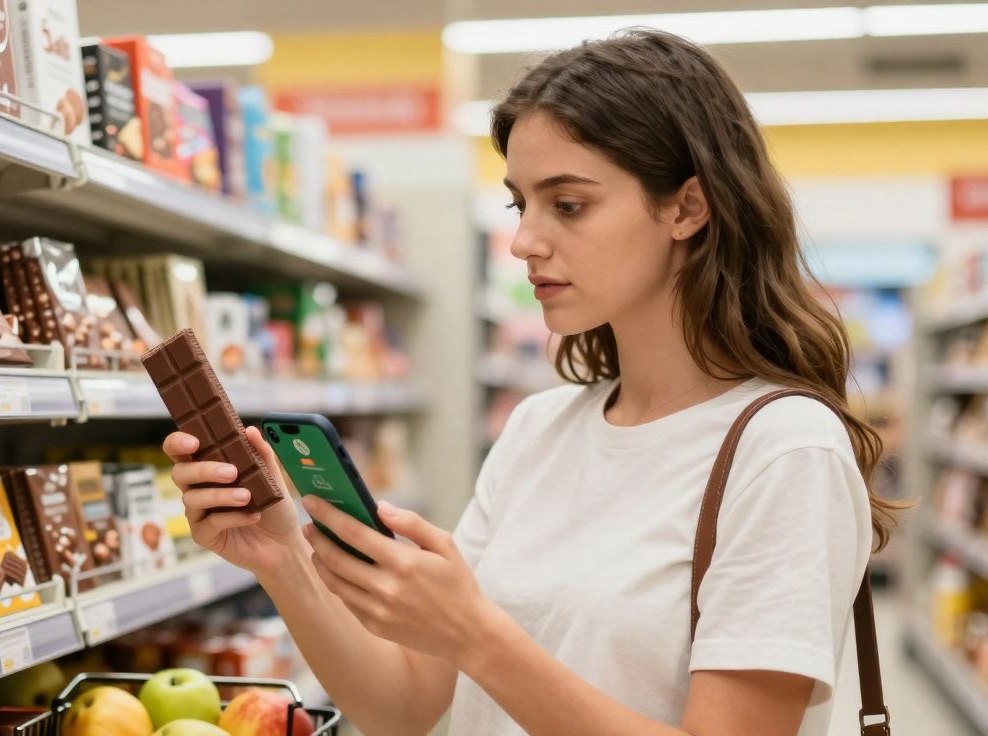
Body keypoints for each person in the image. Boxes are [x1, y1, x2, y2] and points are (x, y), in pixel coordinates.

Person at [162, 29, 903, 735]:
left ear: (687, 206)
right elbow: (403, 708)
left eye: (569, 204)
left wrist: (477, 636)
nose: (523, 241)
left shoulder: (785, 451)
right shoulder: (540, 428)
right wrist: (284, 558)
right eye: (521, 203)